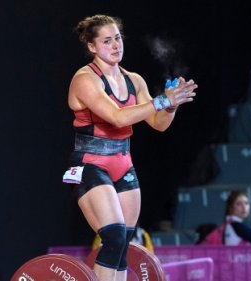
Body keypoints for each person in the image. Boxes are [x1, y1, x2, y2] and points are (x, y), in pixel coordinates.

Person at [61, 15, 198, 281]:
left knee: (123, 242)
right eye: (107, 41)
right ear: (91, 47)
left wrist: (171, 105)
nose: (116, 46)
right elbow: (118, 117)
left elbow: (159, 124)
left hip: (123, 163)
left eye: (118, 38)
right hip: (90, 164)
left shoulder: (134, 80)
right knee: (112, 237)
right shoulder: (85, 79)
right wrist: (161, 100)